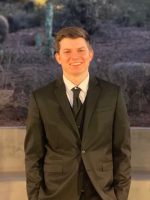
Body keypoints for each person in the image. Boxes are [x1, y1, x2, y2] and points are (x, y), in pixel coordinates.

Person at [24, 26, 131, 200]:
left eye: (81, 50)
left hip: (102, 192)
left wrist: (120, 195)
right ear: (58, 57)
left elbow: (122, 151)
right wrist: (34, 197)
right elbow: (33, 155)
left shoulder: (113, 94)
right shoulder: (40, 98)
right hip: (55, 193)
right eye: (67, 51)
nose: (75, 56)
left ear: (90, 54)